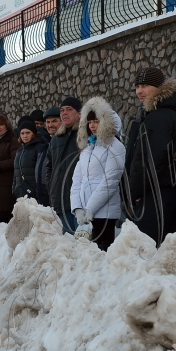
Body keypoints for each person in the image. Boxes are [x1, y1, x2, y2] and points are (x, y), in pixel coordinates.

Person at [128, 67, 176, 246]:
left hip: (157, 195)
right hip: (174, 192)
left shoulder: (160, 115)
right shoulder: (174, 111)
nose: (139, 91)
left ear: (159, 87)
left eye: (145, 86)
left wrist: (136, 191)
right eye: (137, 86)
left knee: (148, 252)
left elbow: (151, 158)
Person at [71, 97, 126, 252]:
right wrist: (77, 208)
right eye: (89, 122)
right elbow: (76, 181)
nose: (93, 126)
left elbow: (110, 181)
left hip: (104, 213)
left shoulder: (115, 147)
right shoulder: (88, 148)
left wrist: (91, 209)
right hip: (85, 215)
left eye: (96, 121)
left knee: (103, 253)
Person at [46, 96, 83, 233]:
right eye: (62, 110)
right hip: (60, 199)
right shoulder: (56, 139)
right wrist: (50, 185)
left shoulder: (85, 133)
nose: (64, 113)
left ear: (79, 113)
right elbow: (49, 165)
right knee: (67, 244)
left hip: (80, 201)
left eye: (69, 109)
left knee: (84, 245)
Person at [12, 118, 48, 201]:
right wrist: (14, 189)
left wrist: (36, 190)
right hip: (20, 193)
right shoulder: (20, 150)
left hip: (34, 194)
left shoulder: (39, 148)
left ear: (33, 133)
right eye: (22, 133)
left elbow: (41, 171)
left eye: (28, 133)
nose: (25, 136)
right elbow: (16, 172)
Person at [35, 107, 61, 206]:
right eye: (48, 122)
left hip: (56, 194)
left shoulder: (62, 143)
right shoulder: (45, 143)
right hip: (42, 194)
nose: (50, 125)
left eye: (54, 121)